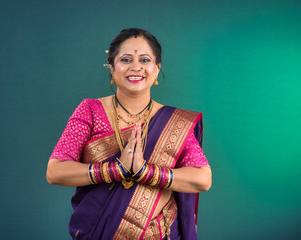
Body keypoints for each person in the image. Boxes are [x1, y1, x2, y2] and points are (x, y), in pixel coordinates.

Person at [46, 28, 212, 240]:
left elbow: (202, 178)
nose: (136, 67)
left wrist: (146, 172)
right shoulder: (90, 110)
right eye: (126, 59)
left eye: (145, 60)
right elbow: (55, 171)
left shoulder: (175, 122)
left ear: (157, 68)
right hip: (100, 233)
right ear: (112, 68)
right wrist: (116, 169)